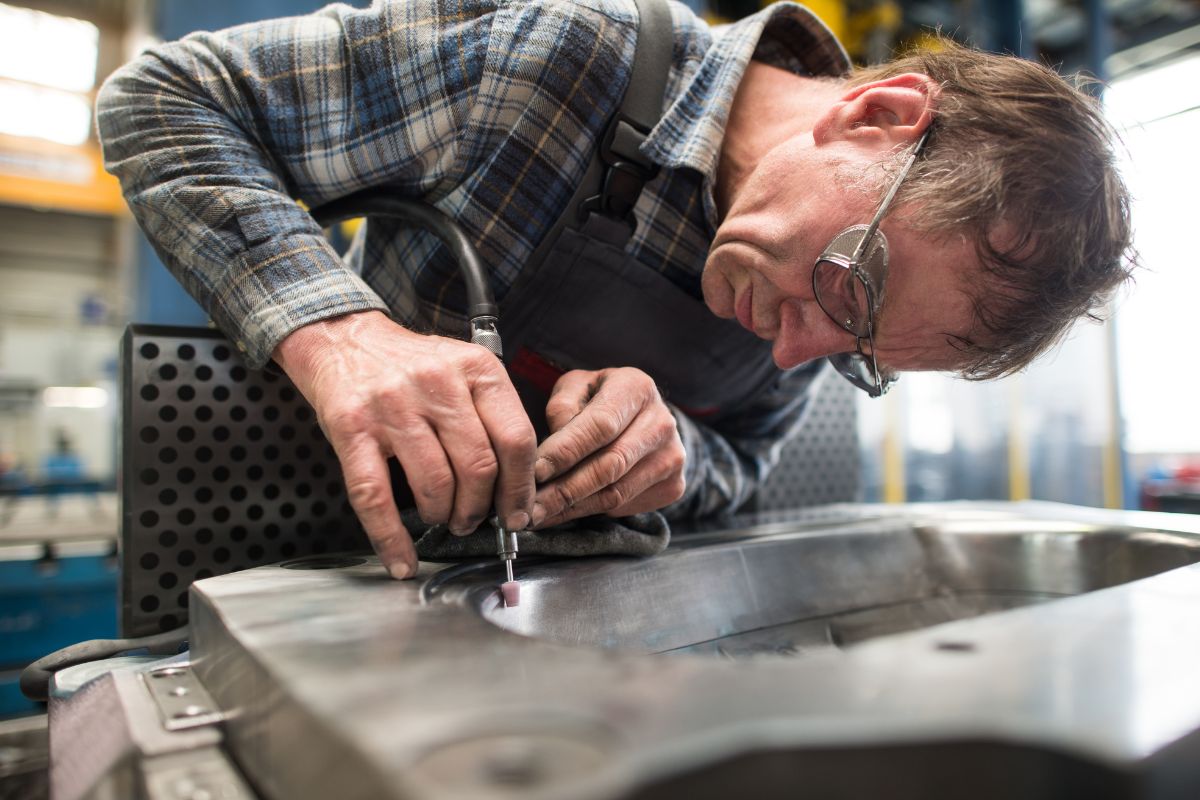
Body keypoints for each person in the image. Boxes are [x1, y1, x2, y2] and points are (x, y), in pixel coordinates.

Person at [96, 0, 1133, 579]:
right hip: (324, 561)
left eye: (853, 355)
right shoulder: (558, 64)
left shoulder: (813, 317)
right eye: (846, 290)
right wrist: (339, 333)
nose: (794, 352)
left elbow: (747, 456)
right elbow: (166, 98)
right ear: (878, 115)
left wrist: (677, 454)